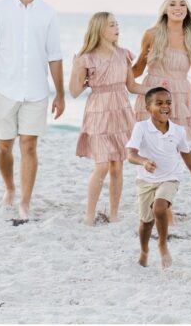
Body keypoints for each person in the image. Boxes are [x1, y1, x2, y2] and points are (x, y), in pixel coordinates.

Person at [0, 0, 64, 220]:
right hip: (5, 89)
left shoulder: (48, 13)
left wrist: (60, 93)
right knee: (4, 146)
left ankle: (25, 202)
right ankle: (10, 188)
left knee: (29, 146)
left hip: (37, 91)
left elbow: (55, 56)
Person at [69, 12, 153, 226]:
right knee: (102, 165)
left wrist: (155, 89)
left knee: (118, 166)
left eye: (117, 24)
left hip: (121, 111)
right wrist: (75, 67)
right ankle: (89, 215)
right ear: (99, 30)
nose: (117, 28)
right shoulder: (87, 58)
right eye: (111, 25)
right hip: (98, 111)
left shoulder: (123, 54)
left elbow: (132, 87)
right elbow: (74, 92)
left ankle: (113, 214)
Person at [126, 87, 191, 269]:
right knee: (145, 224)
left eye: (168, 103)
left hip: (170, 178)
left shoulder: (178, 131)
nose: (165, 106)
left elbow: (187, 154)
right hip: (146, 181)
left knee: (160, 207)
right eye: (159, 103)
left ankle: (162, 244)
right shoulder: (141, 127)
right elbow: (130, 154)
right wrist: (144, 161)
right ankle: (144, 251)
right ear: (148, 107)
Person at [132, 0, 191, 139]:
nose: (178, 8)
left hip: (180, 99)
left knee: (173, 148)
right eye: (172, 4)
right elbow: (138, 68)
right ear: (165, 10)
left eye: (182, 4)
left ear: (187, 10)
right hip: (153, 94)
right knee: (150, 145)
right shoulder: (151, 34)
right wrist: (111, 76)